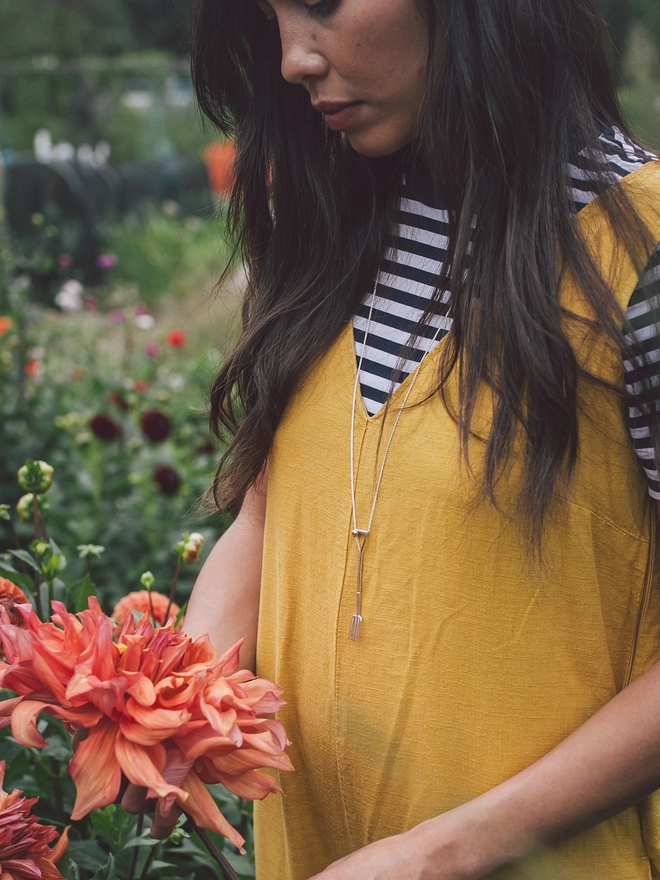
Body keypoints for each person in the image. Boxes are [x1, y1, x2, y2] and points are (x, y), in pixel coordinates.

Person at [130, 1, 660, 877]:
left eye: (322, 5)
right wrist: (180, 701)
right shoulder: (333, 225)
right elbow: (269, 523)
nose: (294, 58)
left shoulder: (638, 262)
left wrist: (442, 854)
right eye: (270, 16)